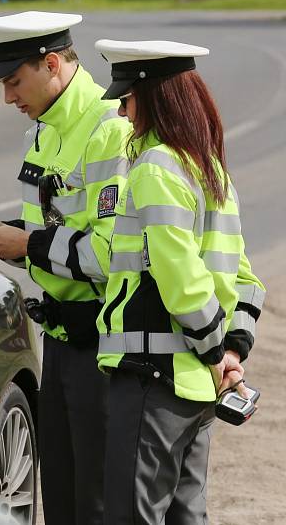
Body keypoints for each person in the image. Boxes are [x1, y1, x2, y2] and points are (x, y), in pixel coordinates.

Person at [0, 11, 132, 525]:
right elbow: (58, 221)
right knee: (58, 492)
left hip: (103, 344)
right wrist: (9, 235)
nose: (8, 97)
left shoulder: (109, 129)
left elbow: (111, 253)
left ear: (52, 64)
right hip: (59, 335)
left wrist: (28, 243)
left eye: (14, 81)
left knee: (96, 501)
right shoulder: (46, 126)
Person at [93, 39, 266, 524]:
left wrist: (215, 356)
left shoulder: (154, 168)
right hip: (196, 388)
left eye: (126, 99)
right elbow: (245, 276)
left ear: (153, 98)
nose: (122, 112)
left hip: (154, 378)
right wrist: (232, 350)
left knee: (131, 514)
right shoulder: (211, 170)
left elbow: (183, 281)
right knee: (187, 515)